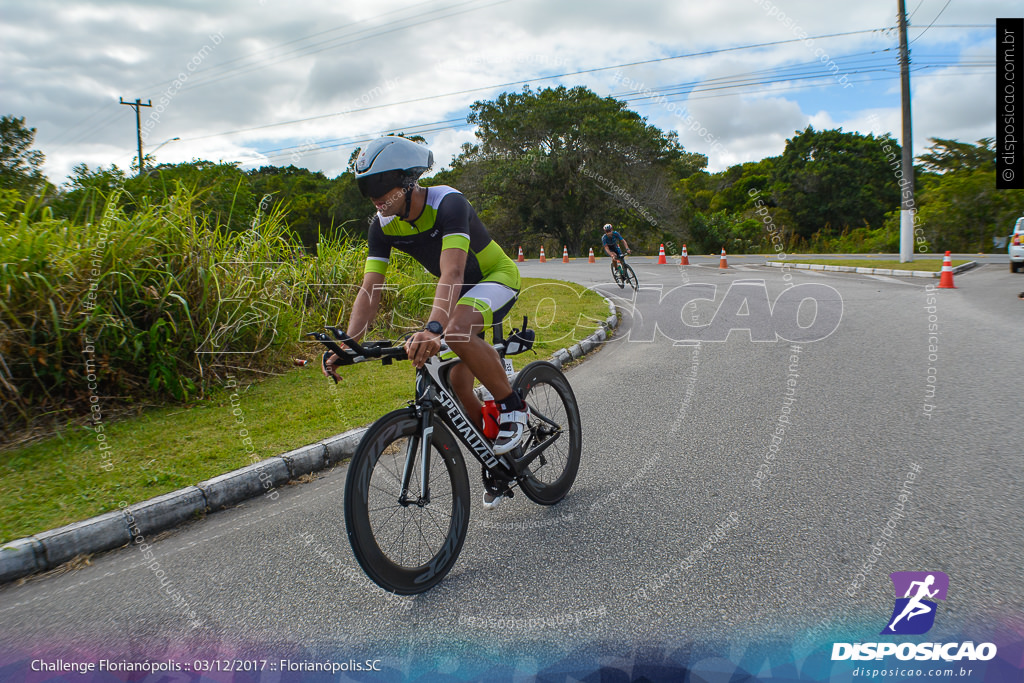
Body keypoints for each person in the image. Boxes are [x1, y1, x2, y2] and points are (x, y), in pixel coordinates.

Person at [322, 136, 527, 509]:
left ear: (408, 180)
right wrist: (348, 343)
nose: (375, 196)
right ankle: (497, 463)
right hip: (461, 293)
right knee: (457, 383)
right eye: (366, 187)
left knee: (456, 331)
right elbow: (371, 288)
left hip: (494, 278)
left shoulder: (448, 202)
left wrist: (434, 329)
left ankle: (513, 405)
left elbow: (452, 271)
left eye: (381, 186)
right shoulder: (382, 225)